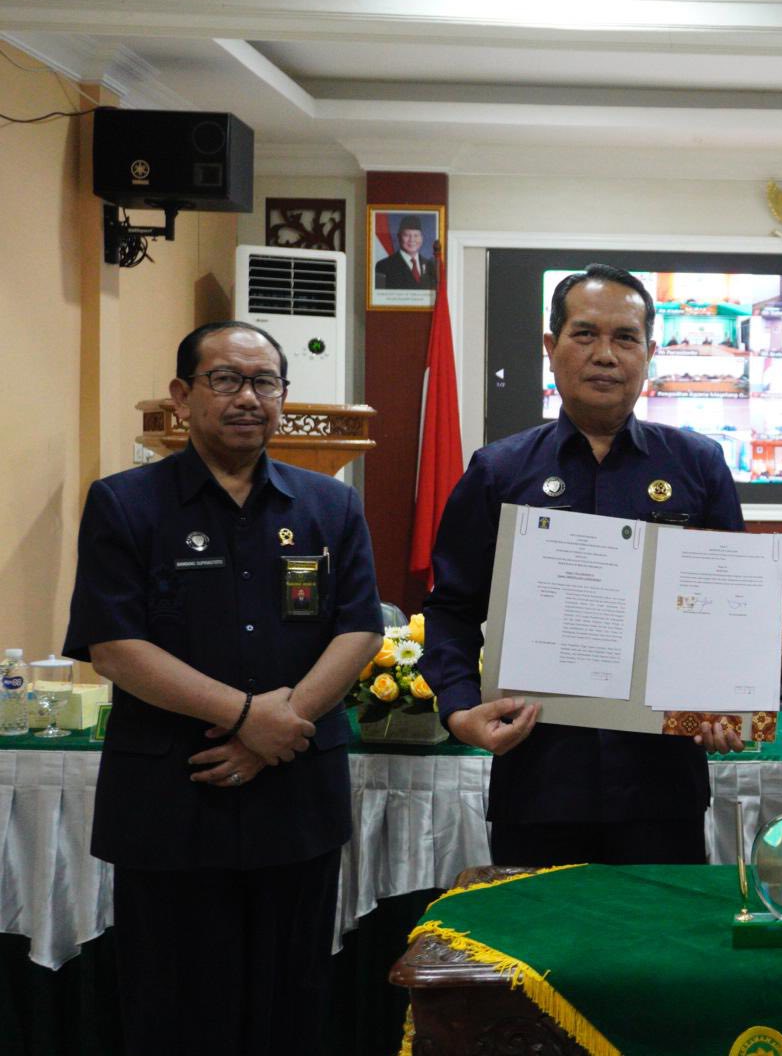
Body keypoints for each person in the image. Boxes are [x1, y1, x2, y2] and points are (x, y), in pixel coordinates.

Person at [63, 321, 383, 1056]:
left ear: (283, 397)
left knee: (291, 1008)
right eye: (226, 380)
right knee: (173, 1014)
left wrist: (278, 727)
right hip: (172, 803)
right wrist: (244, 716)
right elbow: (114, 646)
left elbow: (360, 629)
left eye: (265, 382)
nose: (248, 398)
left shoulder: (330, 506)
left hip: (295, 797)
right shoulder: (124, 504)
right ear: (182, 396)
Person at [421, 264, 746, 868]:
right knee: (539, 929)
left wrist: (727, 704)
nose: (605, 355)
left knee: (660, 932)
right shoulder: (499, 471)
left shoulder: (698, 466)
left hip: (662, 784)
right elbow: (452, 609)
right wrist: (461, 709)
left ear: (649, 353)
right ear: (551, 347)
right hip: (540, 777)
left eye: (625, 338)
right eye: (585, 334)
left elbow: (730, 614)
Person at [374, 214, 438, 289]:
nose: (412, 240)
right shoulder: (384, 266)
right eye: (406, 235)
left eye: (416, 235)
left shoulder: (430, 265)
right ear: (399, 237)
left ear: (422, 238)